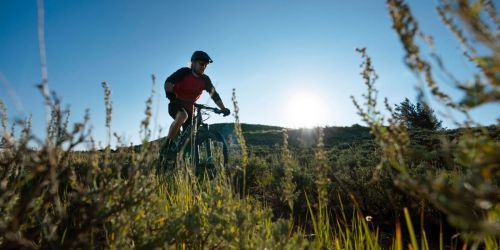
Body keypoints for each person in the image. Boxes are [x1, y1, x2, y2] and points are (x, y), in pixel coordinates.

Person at [163, 50, 230, 149]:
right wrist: (171, 96)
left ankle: (187, 158)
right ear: (193, 63)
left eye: (206, 65)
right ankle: (167, 145)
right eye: (201, 64)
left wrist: (223, 108)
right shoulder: (184, 72)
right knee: (182, 116)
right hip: (176, 104)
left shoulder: (205, 80)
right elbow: (168, 82)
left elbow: (214, 95)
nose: (204, 67)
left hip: (191, 109)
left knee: (191, 137)